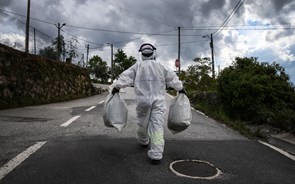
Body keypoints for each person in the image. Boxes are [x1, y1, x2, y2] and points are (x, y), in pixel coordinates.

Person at [111, 43, 185, 164]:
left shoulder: (137, 66)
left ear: (142, 54)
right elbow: (172, 78)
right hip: (159, 101)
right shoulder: (160, 66)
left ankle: (144, 141)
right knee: (157, 126)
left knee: (142, 123)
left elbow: (125, 77)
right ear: (153, 53)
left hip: (142, 101)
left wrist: (116, 87)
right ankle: (156, 154)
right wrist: (180, 88)